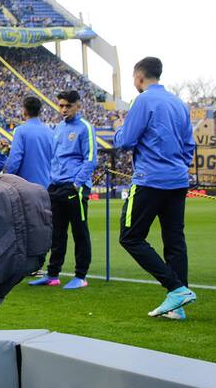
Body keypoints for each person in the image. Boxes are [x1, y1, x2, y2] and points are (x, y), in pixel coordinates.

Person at [113, 57, 197, 319]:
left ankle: (175, 288)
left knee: (130, 237)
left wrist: (118, 129)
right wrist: (176, 166)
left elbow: (126, 140)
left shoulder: (143, 100)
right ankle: (178, 307)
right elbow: (189, 147)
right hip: (177, 181)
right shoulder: (179, 104)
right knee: (174, 240)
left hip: (150, 180)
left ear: (139, 78)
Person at [30, 90, 97, 290]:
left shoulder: (85, 128)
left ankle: (81, 275)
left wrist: (77, 184)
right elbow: (56, 157)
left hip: (74, 187)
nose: (64, 109)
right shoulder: (58, 127)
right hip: (56, 185)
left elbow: (91, 159)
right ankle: (52, 274)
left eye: (68, 105)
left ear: (78, 106)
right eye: (61, 105)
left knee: (79, 232)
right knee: (56, 232)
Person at [3, 96, 52, 188]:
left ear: (24, 111)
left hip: (25, 187)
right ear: (39, 111)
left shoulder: (20, 130)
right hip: (46, 186)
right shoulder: (50, 132)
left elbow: (15, 159)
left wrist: (5, 178)